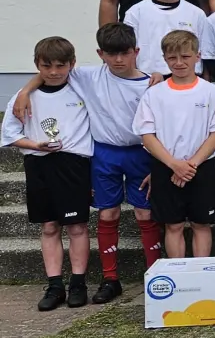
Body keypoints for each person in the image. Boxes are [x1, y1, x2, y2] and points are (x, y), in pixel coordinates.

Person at [11, 24, 159, 302]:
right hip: (104, 152)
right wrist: (25, 91)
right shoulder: (89, 76)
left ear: (135, 52)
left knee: (144, 213)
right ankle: (110, 279)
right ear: (100, 53)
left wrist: (159, 76)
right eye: (111, 54)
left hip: (141, 152)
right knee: (107, 213)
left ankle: (155, 273)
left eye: (124, 54)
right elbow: (49, 73)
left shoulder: (151, 84)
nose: (117, 60)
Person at [4, 37, 94, 311]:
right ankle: (55, 284)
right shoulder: (23, 97)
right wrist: (35, 145)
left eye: (60, 65)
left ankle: (78, 283)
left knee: (77, 226)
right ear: (37, 65)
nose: (54, 71)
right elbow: (10, 134)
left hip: (73, 164)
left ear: (72, 64)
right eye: (47, 66)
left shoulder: (82, 89)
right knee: (49, 226)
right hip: (39, 163)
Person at [135, 30, 215, 262]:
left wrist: (191, 165)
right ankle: (178, 274)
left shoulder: (210, 91)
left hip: (201, 167)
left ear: (198, 56)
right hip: (166, 167)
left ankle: (201, 274)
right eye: (172, 58)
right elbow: (147, 135)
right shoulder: (154, 94)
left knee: (201, 223)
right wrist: (174, 164)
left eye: (185, 57)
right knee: (173, 225)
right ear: (165, 59)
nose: (179, 63)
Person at [123, 0, 206, 78]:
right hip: (148, 80)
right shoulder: (135, 13)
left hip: (188, 81)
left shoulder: (197, 14)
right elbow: (128, 52)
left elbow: (204, 53)